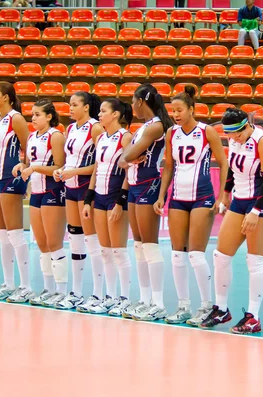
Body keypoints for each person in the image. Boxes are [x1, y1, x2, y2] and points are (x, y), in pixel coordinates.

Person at [153, 86, 228, 326]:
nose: (175, 114)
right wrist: (161, 195)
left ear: (191, 109)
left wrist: (221, 196)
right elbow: (168, 168)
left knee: (196, 254)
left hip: (202, 197)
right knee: (177, 254)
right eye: (172, 110)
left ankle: (206, 306)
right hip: (178, 197)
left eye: (179, 110)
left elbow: (224, 164)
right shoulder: (171, 133)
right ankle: (183, 306)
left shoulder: (207, 131)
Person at [198, 108, 263, 334]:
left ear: (246, 126)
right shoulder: (234, 140)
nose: (234, 139)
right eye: (230, 136)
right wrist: (225, 194)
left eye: (237, 134)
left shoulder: (262, 141)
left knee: (254, 260)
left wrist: (256, 211)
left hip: (261, 202)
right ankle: (221, 309)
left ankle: (253, 316)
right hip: (239, 201)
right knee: (220, 255)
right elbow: (232, 169)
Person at [117, 84, 174, 321]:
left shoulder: (157, 126)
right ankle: (145, 299)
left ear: (141, 101)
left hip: (149, 183)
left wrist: (127, 157)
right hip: (135, 184)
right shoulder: (144, 127)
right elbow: (124, 157)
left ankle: (158, 303)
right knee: (139, 245)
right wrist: (127, 157)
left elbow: (126, 156)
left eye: (133, 101)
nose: (131, 106)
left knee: (149, 244)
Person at [80, 99, 134, 315]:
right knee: (105, 251)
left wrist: (121, 201)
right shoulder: (101, 137)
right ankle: (110, 296)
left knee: (119, 251)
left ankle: (125, 298)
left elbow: (129, 170)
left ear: (116, 114)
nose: (99, 114)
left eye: (103, 111)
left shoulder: (126, 137)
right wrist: (88, 199)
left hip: (114, 197)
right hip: (99, 197)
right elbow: (97, 169)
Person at [12, 99, 67, 306]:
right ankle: (48, 288)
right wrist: (21, 165)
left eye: (37, 114)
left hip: (53, 190)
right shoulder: (32, 137)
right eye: (32, 115)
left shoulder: (56, 136)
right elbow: (28, 162)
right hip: (36, 192)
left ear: (49, 116)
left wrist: (34, 168)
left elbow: (60, 167)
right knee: (42, 244)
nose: (33, 118)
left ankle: (61, 290)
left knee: (54, 243)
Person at [51, 92, 103, 310]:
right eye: (69, 104)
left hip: (86, 187)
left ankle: (99, 294)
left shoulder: (96, 128)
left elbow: (101, 164)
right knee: (75, 238)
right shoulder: (70, 129)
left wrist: (73, 172)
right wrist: (61, 170)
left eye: (74, 105)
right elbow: (69, 160)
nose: (70, 108)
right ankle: (77, 292)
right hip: (70, 187)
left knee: (92, 241)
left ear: (87, 107)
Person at [0, 83, 31, 302]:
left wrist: (26, 176)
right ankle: (9, 283)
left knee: (14, 232)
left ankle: (26, 285)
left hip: (10, 177)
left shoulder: (16, 118)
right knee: (2, 233)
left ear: (6, 97)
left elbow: (28, 149)